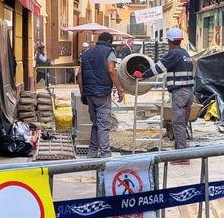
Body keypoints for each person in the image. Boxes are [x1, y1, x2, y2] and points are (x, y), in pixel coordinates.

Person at [134, 28, 194, 164]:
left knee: (178, 125)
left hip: (180, 93)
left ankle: (182, 157)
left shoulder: (173, 54)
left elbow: (159, 68)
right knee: (182, 124)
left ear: (170, 41)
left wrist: (143, 75)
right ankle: (180, 151)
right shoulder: (185, 53)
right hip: (189, 92)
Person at [77, 32, 126, 158]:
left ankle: (92, 152)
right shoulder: (109, 51)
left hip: (89, 93)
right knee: (104, 124)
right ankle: (105, 153)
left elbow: (80, 74)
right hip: (102, 92)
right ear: (110, 41)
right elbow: (111, 69)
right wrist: (119, 89)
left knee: (95, 124)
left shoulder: (86, 53)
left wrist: (83, 92)